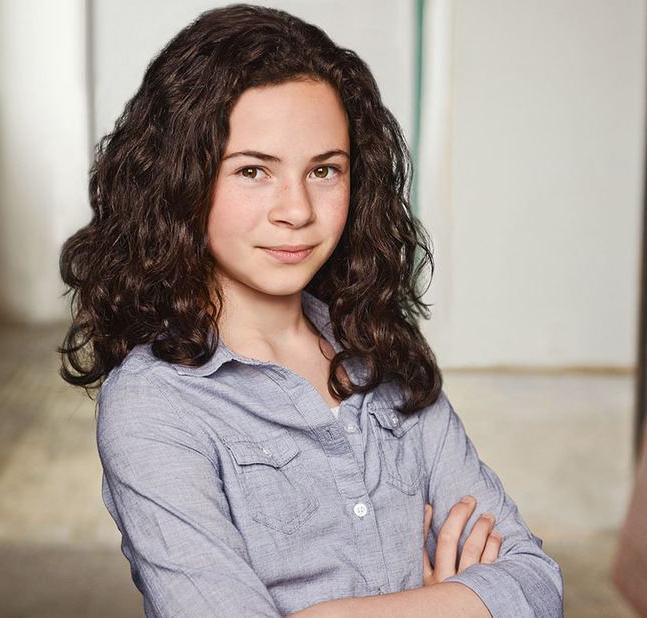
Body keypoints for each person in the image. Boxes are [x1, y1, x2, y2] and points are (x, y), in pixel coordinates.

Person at [58, 4, 563, 616]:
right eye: (253, 171)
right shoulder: (154, 403)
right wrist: (453, 603)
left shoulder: (379, 347)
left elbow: (537, 584)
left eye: (324, 170)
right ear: (179, 179)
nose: (296, 209)